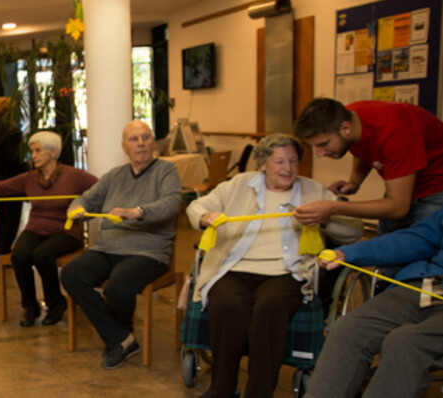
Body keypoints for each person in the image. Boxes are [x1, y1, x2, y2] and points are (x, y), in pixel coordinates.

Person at [185, 134, 362, 398]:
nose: (287, 168)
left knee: (270, 307)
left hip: (287, 272)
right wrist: (205, 217)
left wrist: (324, 218)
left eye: (293, 161)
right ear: (262, 164)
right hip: (235, 268)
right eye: (279, 161)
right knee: (226, 303)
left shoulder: (314, 191)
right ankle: (222, 388)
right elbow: (196, 206)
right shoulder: (238, 185)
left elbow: (354, 230)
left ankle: (259, 392)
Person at [61, 120, 181, 369]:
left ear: (152, 142)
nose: (141, 144)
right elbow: (85, 198)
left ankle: (119, 337)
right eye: (134, 139)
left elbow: (171, 204)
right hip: (107, 247)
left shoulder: (166, 171)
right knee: (72, 275)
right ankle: (122, 338)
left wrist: (136, 211)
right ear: (124, 146)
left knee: (117, 286)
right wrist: (77, 208)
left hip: (147, 252)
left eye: (146, 138)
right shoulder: (115, 175)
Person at [0, 130, 97, 327]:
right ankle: (30, 306)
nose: (32, 156)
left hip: (65, 231)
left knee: (42, 255)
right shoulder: (30, 178)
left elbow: (101, 189)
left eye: (38, 151)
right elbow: (0, 187)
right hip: (36, 228)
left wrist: (86, 209)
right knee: (20, 254)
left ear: (53, 153)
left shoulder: (74, 176)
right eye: (32, 151)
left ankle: (56, 303)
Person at [305, 207, 443, 398]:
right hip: (428, 286)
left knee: (406, 342)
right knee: (349, 329)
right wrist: (348, 254)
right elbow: (415, 239)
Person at [293, 98, 443, 233]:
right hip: (403, 193)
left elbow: (398, 207)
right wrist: (355, 181)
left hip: (435, 192)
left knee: (421, 252)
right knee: (385, 249)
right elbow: (363, 147)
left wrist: (333, 208)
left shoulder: (395, 132)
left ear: (346, 129)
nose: (319, 154)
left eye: (323, 144)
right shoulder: (350, 119)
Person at [0, 97, 29, 258]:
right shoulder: (12, 132)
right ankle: (5, 249)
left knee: (1, 212)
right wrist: (26, 169)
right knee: (13, 214)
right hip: (11, 178)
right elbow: (13, 159)